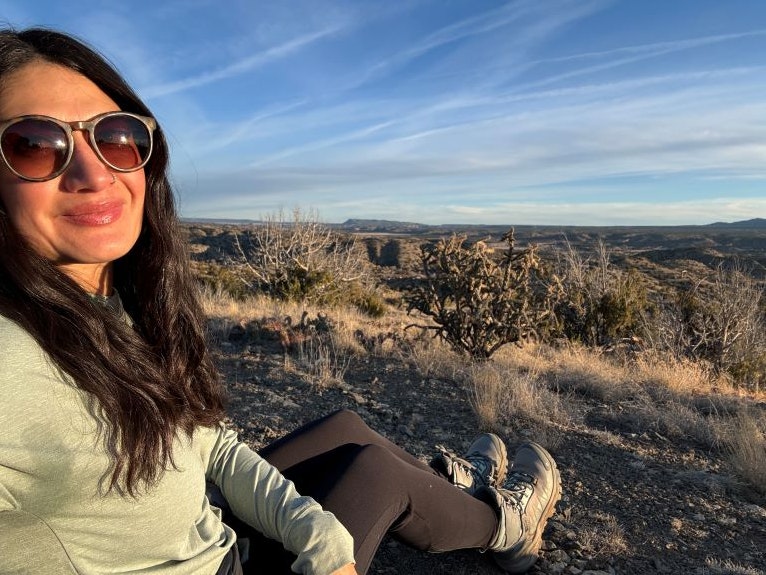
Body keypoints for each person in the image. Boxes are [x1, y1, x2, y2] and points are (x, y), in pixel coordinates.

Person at [0, 27, 561, 575]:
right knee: (375, 474)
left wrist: (312, 532)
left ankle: (444, 491)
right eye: (33, 146)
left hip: (202, 529)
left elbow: (204, 443)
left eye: (116, 137)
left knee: (345, 428)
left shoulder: (102, 304)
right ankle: (503, 526)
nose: (93, 172)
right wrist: (324, 546)